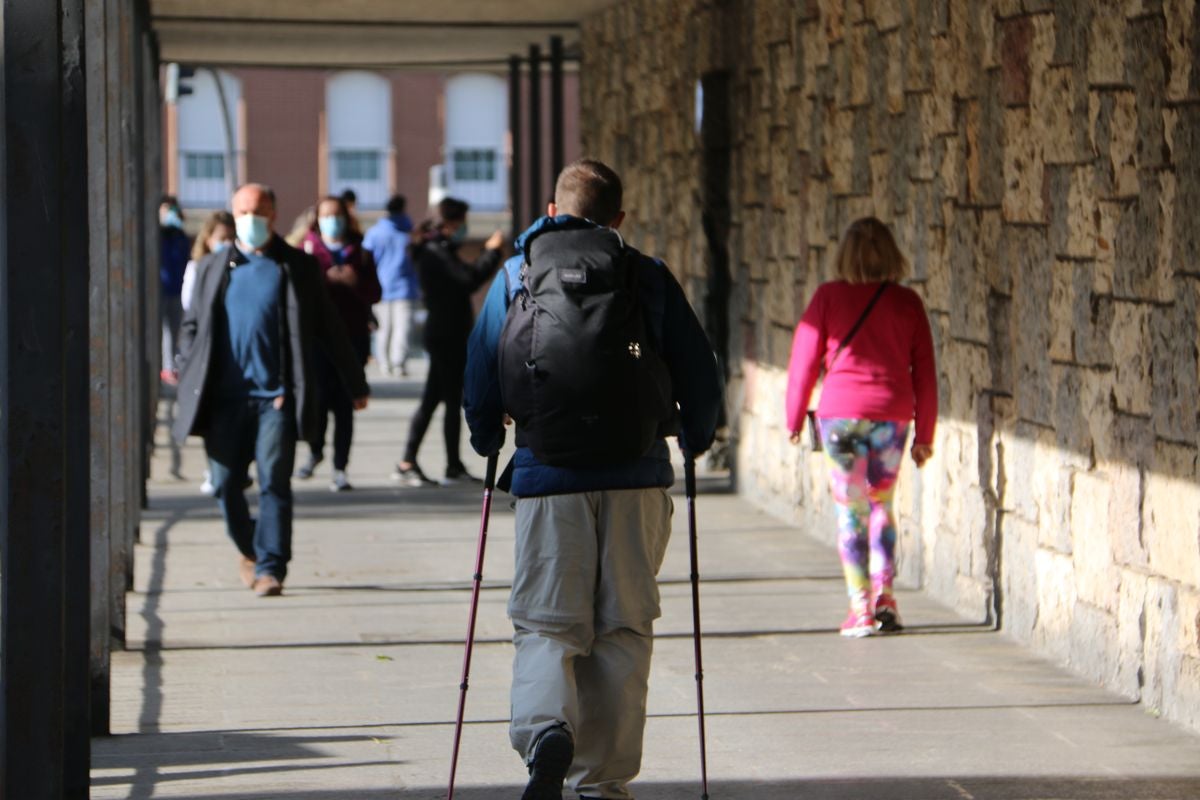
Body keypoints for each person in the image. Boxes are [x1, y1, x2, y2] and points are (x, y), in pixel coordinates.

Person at [463, 159, 721, 800]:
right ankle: (601, 780)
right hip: (637, 478)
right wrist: (695, 437)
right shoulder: (648, 276)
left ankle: (548, 730)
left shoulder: (516, 275)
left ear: (551, 211)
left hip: (549, 477)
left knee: (548, 626)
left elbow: (481, 371)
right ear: (620, 220)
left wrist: (487, 440)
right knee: (623, 629)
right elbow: (698, 369)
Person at [173, 183, 369, 597]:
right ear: (232, 213)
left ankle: (271, 568)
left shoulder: (296, 267)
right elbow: (192, 326)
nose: (250, 220)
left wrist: (355, 383)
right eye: (242, 212)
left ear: (273, 215)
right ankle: (251, 550)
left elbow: (330, 329)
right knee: (226, 483)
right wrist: (182, 364)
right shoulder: (213, 268)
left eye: (258, 212)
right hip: (224, 399)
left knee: (274, 482)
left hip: (276, 398)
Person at [784, 216, 938, 637]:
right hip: (892, 415)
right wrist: (925, 434)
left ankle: (860, 609)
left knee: (849, 510)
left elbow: (803, 363)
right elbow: (925, 372)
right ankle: (886, 596)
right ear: (891, 254)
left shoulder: (828, 298)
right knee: (881, 504)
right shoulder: (908, 303)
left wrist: (794, 418)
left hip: (841, 418)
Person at [392, 197, 503, 487]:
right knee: (450, 400)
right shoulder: (434, 251)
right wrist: (490, 253)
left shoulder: (438, 249)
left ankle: (425, 461)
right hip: (444, 335)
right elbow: (467, 279)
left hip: (448, 333)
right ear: (453, 223)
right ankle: (426, 462)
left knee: (435, 399)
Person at [295, 195, 382, 491]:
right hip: (316, 339)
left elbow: (375, 292)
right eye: (326, 215)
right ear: (316, 219)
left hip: (352, 336)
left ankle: (340, 466)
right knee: (318, 398)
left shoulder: (360, 251)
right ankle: (315, 450)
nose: (333, 220)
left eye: (337, 214)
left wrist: (354, 282)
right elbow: (296, 292)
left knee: (346, 403)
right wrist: (326, 280)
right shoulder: (305, 250)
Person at [180, 209, 236, 496]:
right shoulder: (198, 268)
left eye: (231, 238)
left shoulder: (243, 267)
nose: (227, 244)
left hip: (234, 354)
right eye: (221, 238)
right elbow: (190, 311)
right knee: (209, 416)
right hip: (207, 353)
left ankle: (229, 470)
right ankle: (213, 469)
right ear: (209, 239)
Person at [364, 194, 418, 377]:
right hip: (405, 288)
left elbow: (366, 261)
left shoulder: (375, 232)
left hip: (380, 288)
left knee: (383, 329)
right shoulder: (410, 233)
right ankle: (398, 364)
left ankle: (384, 363)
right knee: (403, 330)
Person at [159, 195, 192, 384]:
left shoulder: (179, 236)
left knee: (175, 329)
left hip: (177, 290)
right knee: (164, 332)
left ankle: (172, 366)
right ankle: (167, 367)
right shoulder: (158, 235)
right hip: (161, 290)